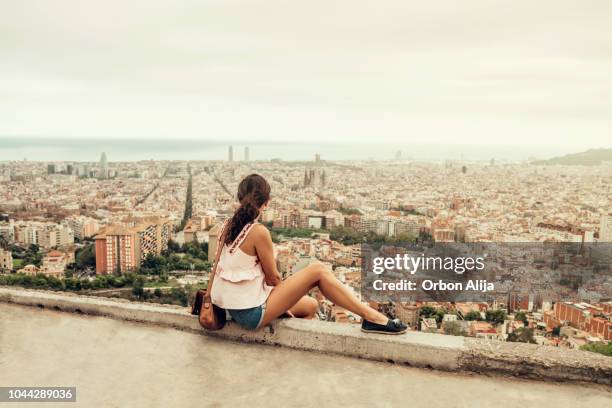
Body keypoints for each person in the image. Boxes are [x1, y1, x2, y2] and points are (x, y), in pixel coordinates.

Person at [210, 173, 407, 334]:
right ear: (266, 202)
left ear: (239, 197)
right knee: (318, 270)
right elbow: (273, 278)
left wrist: (283, 301)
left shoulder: (226, 225)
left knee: (311, 306)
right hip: (249, 313)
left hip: (230, 307)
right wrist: (283, 301)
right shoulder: (258, 232)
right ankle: (372, 317)